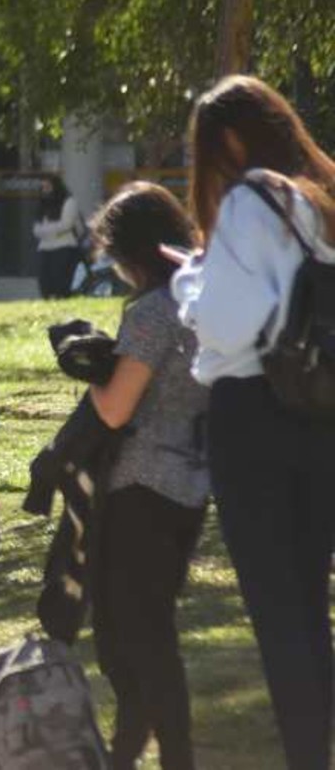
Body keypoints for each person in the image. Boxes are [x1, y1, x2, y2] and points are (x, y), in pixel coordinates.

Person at [171, 75, 335, 770]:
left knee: (278, 612)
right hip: (318, 411)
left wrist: (188, 283)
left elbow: (228, 322)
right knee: (310, 600)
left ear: (227, 142)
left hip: (253, 413)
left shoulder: (248, 200)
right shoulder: (316, 197)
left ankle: (306, 755)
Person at [79, 182, 209, 770]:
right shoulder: (204, 301)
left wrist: (85, 367)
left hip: (141, 488)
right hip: (190, 486)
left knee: (140, 640)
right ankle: (125, 752)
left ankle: (172, 756)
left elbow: (114, 408)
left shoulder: (152, 312)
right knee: (148, 630)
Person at [33, 174, 84, 299]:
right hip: (45, 247)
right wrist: (49, 230)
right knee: (44, 281)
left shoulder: (69, 201)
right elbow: (36, 229)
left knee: (60, 281)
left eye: (48, 187)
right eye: (43, 187)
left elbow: (66, 224)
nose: (45, 190)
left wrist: (46, 230)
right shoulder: (43, 204)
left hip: (64, 246)